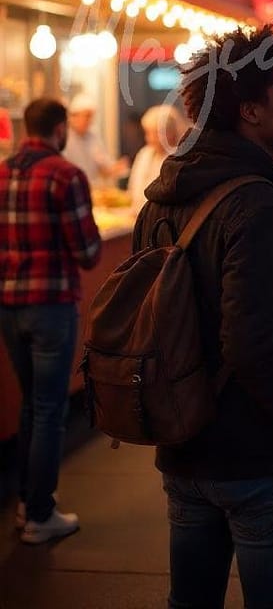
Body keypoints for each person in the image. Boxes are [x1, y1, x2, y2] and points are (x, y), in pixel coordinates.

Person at [133, 24, 273, 608]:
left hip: (185, 445)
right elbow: (257, 342)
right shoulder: (258, 203)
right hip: (260, 457)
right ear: (250, 111)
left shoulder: (163, 195)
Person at [0, 98, 101, 544]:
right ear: (60, 129)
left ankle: (27, 503)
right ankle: (40, 514)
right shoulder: (65, 175)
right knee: (48, 409)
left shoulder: (1, 172)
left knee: (29, 405)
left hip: (8, 305)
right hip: (52, 305)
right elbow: (87, 251)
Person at [127, 104, 188, 214]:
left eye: (153, 134)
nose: (148, 138)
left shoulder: (180, 158)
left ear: (169, 133)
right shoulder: (144, 153)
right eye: (147, 133)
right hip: (138, 215)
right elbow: (133, 189)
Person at [63, 93, 129, 187]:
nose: (90, 121)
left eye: (91, 117)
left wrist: (117, 167)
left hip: (92, 190)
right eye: (87, 116)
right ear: (74, 116)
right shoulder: (64, 138)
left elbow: (104, 166)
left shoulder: (93, 137)